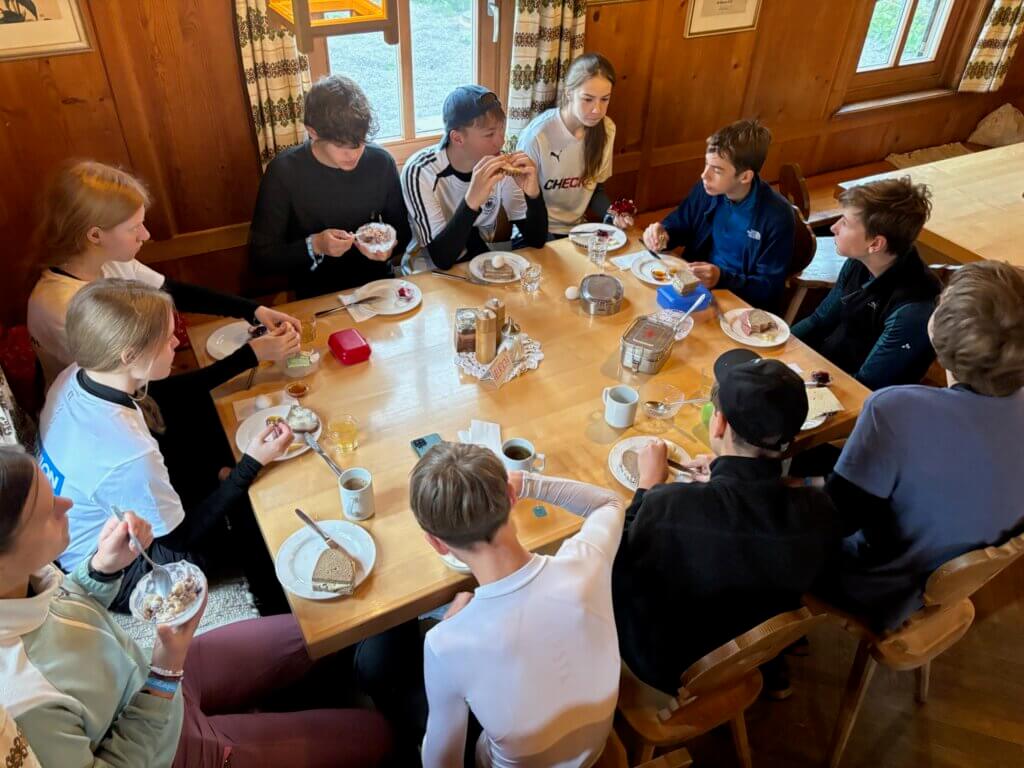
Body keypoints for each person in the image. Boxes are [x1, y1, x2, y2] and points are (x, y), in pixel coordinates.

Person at [0, 445, 395, 767]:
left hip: (153, 676)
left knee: (326, 628)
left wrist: (101, 570)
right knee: (377, 735)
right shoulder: (24, 702)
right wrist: (164, 674)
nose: (67, 504)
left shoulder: (23, 576)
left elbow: (61, 606)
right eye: (47, 511)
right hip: (166, 750)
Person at [36, 279, 293, 612]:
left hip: (96, 520)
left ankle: (221, 479)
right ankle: (271, 601)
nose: (176, 341)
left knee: (196, 421)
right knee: (253, 516)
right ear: (130, 356)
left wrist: (250, 355)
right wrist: (250, 463)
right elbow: (183, 539)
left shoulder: (80, 372)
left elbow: (169, 394)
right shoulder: (129, 452)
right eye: (168, 337)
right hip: (119, 571)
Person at [612, 349, 842, 698]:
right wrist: (722, 477)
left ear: (719, 424)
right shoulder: (819, 512)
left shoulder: (670, 506)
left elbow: (614, 562)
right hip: (746, 655)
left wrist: (647, 487)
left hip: (664, 663)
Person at [817, 261, 1024, 631]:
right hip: (938, 579)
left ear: (941, 337)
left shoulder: (895, 409)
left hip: (872, 584)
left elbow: (837, 518)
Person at [409, 442, 623, 767]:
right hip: (595, 753)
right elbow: (610, 502)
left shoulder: (445, 645)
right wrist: (529, 483)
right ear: (511, 497)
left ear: (436, 543)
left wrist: (451, 626)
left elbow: (442, 764)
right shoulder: (586, 565)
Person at [27, 160, 300, 388]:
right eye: (134, 228)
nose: (146, 235)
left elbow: (173, 291)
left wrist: (254, 310)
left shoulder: (106, 262)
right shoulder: (65, 308)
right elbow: (157, 396)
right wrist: (251, 355)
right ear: (95, 235)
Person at [249, 75, 412, 297]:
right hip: (316, 293)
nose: (353, 154)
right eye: (340, 145)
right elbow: (261, 258)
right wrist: (315, 245)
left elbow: (403, 232)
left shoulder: (381, 162)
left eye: (360, 142)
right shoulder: (284, 171)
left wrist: (388, 246)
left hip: (377, 287)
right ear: (312, 132)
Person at [792, 177, 940, 390]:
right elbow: (819, 321)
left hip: (860, 395)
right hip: (827, 370)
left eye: (845, 223)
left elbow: (865, 385)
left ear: (875, 243)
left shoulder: (912, 309)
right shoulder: (859, 261)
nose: (833, 227)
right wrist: (776, 348)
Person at [642, 119, 795, 309]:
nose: (704, 175)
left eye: (716, 170)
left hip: (738, 304)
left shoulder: (777, 216)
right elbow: (681, 223)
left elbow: (768, 288)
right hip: (693, 287)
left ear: (745, 176)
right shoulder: (708, 189)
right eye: (706, 164)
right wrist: (663, 233)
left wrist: (721, 278)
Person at [402, 85, 548, 272]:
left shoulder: (500, 165)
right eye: (489, 134)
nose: (501, 141)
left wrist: (533, 194)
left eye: (501, 130)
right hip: (428, 272)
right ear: (457, 138)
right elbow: (441, 258)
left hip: (478, 264)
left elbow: (536, 241)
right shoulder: (420, 171)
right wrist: (472, 200)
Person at [517, 53, 629, 235]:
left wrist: (612, 215)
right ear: (569, 93)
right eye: (588, 99)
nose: (597, 109)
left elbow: (595, 189)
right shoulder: (536, 135)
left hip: (578, 230)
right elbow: (520, 204)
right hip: (536, 230)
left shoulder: (607, 129)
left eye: (605, 99)